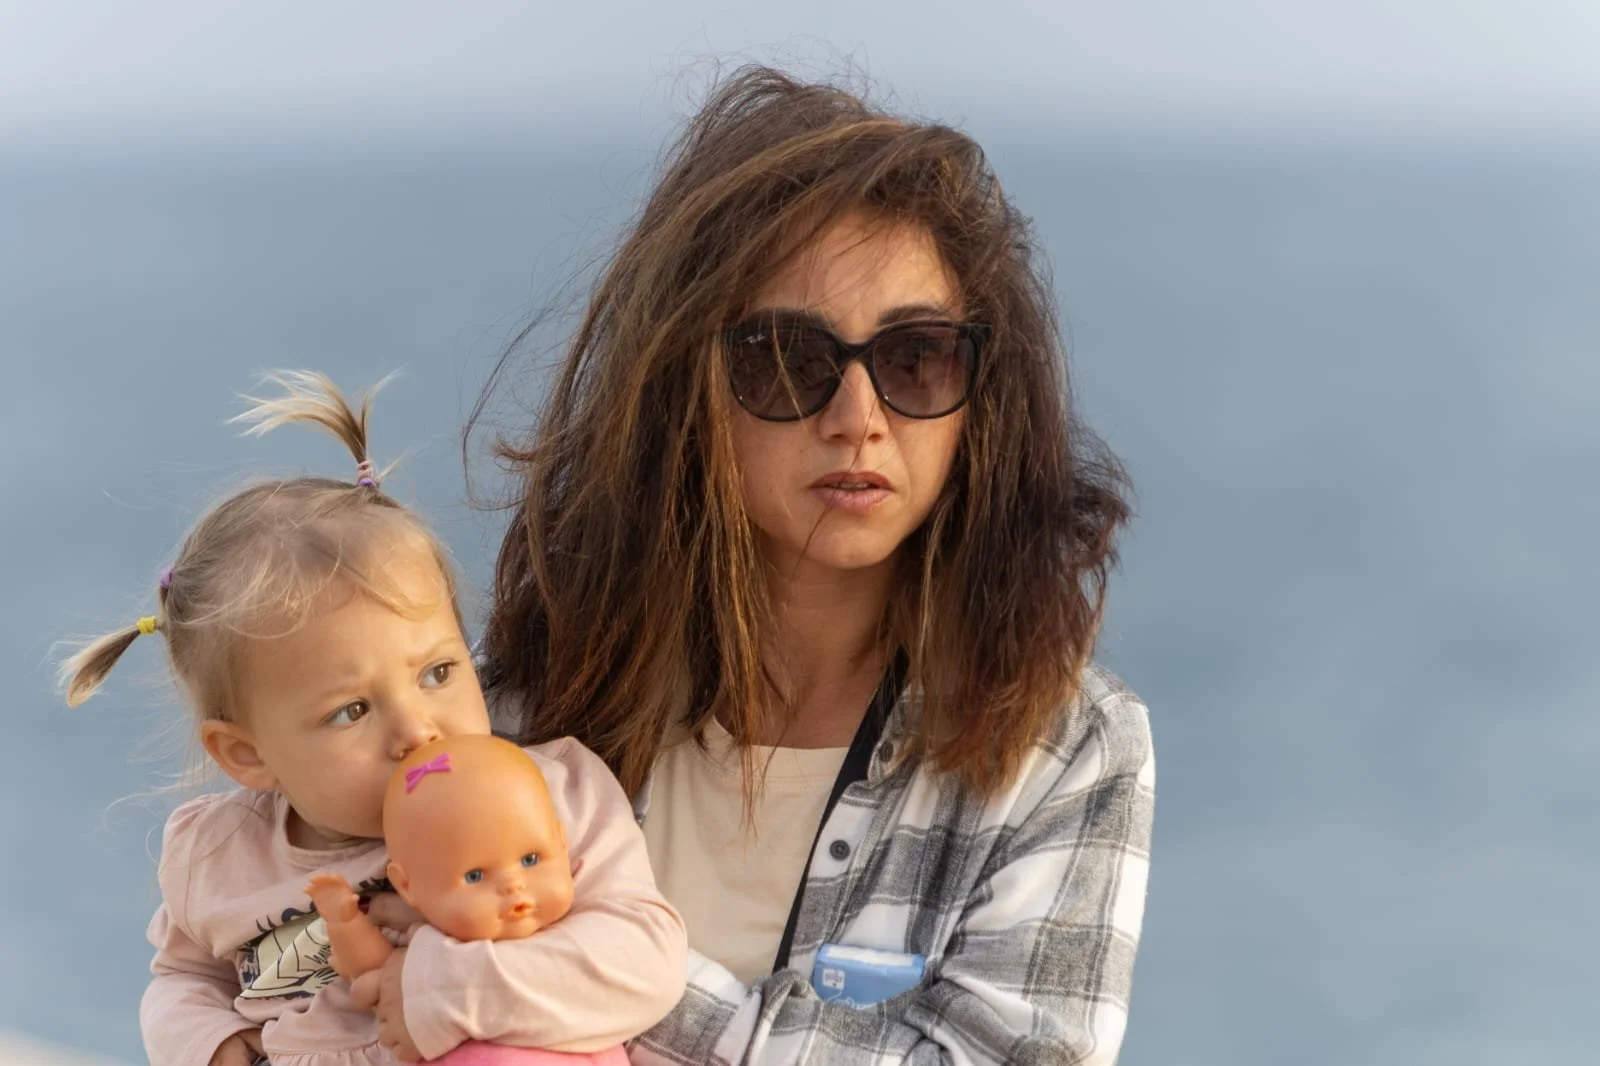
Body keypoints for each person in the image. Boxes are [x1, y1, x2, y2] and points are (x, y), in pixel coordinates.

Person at [462, 66, 1157, 1063]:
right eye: (787, 360)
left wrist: (604, 971)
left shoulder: (1068, 749)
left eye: (916, 358)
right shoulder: (527, 711)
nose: (857, 420)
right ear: (684, 386)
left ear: (979, 396)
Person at [61, 372, 685, 1066]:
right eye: (352, 710)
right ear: (246, 755)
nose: (418, 730)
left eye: (438, 673)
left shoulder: (546, 791)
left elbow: (644, 963)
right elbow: (183, 978)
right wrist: (209, 1043)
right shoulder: (215, 856)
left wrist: (443, 985)